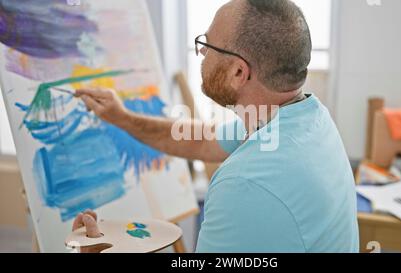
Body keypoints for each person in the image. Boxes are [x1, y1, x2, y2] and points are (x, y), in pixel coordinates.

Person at [73, 0, 359, 252]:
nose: (202, 54)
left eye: (207, 46)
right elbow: (201, 140)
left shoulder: (245, 183)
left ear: (238, 72)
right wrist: (120, 117)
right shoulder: (304, 117)